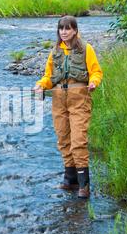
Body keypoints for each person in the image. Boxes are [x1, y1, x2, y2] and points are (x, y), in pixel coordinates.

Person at [33, 16, 103, 198]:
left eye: (67, 29)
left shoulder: (86, 49)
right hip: (58, 99)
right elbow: (48, 76)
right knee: (63, 139)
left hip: (79, 99)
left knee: (78, 140)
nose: (64, 32)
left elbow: (96, 71)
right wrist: (40, 85)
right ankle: (69, 179)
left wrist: (94, 82)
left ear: (75, 30)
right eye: (61, 29)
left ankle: (84, 185)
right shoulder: (54, 51)